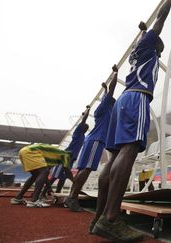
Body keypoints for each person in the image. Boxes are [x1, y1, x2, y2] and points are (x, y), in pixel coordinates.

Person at [91, 1, 171, 241]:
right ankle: (111, 218)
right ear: (152, 41)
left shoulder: (142, 54)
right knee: (129, 150)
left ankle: (99, 217)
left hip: (123, 101)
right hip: (137, 99)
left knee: (115, 157)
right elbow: (161, 17)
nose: (161, 46)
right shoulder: (148, 45)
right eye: (160, 43)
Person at [64, 66, 118, 212]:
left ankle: (71, 196)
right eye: (112, 101)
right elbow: (110, 94)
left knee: (82, 170)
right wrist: (115, 73)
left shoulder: (102, 110)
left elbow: (106, 96)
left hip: (91, 141)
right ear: (109, 103)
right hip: (96, 141)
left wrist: (105, 89)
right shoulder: (106, 108)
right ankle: (73, 197)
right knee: (87, 170)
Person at [41, 107, 90, 198]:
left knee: (63, 177)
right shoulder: (78, 133)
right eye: (86, 127)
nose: (87, 129)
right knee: (55, 176)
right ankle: (43, 193)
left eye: (87, 128)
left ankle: (58, 194)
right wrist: (88, 110)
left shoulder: (83, 136)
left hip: (71, 158)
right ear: (82, 128)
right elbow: (83, 120)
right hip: (65, 156)